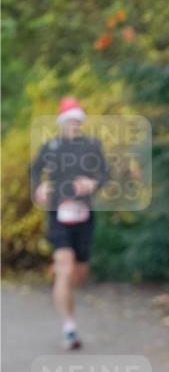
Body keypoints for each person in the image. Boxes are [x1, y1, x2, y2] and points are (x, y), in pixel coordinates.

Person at [30, 97, 110, 349]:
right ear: (63, 123)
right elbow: (33, 170)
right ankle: (69, 328)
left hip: (84, 214)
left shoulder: (91, 146)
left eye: (78, 121)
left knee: (77, 274)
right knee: (65, 270)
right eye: (70, 121)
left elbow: (106, 174)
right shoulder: (50, 147)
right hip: (58, 213)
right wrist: (38, 187)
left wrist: (93, 183)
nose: (74, 125)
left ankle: (67, 270)